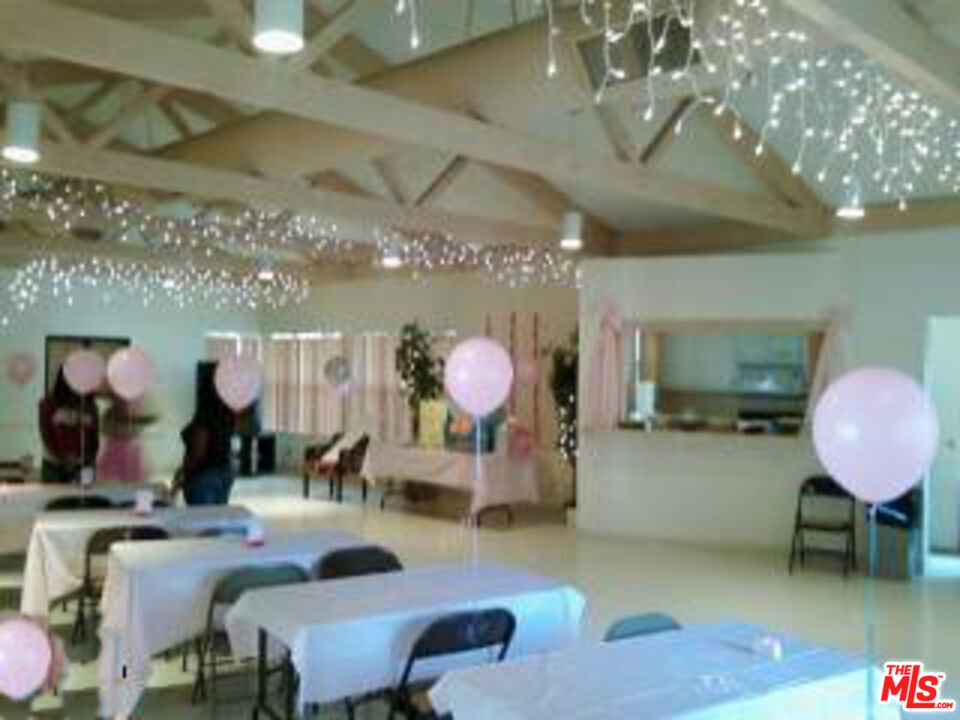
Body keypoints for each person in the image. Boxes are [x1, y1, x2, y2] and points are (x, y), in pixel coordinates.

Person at [38, 369, 100, 484]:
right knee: (53, 499)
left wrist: (87, 458)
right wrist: (66, 459)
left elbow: (94, 437)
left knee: (86, 500)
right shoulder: (48, 404)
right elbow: (46, 435)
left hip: (83, 465)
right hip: (54, 465)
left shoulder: (90, 405)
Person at [176, 395, 234, 506]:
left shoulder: (205, 415)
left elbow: (198, 453)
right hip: (223, 470)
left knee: (202, 519)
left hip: (203, 476)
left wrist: (184, 471)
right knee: (217, 518)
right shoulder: (226, 414)